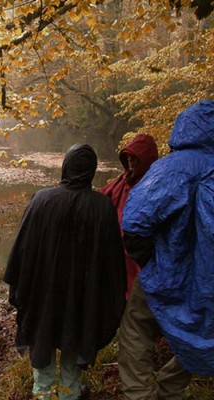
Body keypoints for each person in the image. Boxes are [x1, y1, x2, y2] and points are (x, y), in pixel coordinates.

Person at [4, 143, 127, 400]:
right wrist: (110, 300)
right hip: (82, 299)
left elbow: (21, 252)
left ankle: (43, 394)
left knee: (43, 343)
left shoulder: (42, 200)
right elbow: (113, 262)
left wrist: (20, 287)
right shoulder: (102, 207)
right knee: (74, 344)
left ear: (66, 166)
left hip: (43, 294)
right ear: (92, 171)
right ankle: (68, 394)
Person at [118, 99, 214, 400]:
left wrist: (151, 263)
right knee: (201, 336)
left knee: (135, 328)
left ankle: (141, 394)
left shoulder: (170, 168)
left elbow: (133, 224)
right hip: (208, 279)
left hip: (167, 271)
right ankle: (169, 389)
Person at [101, 134, 158, 299]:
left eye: (135, 157)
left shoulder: (152, 185)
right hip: (116, 248)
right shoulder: (123, 180)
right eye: (128, 157)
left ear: (145, 159)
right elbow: (103, 196)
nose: (131, 160)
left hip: (136, 252)